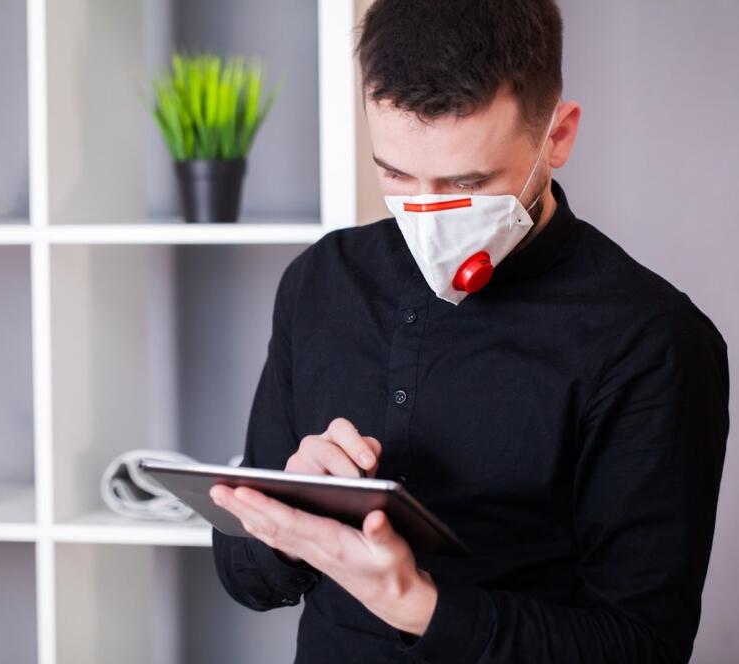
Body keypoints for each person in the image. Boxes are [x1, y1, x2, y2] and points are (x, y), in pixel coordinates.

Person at [209, 1, 730, 662]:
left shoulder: (653, 341)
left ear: (558, 137)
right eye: (396, 174)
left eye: (467, 182)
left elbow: (643, 645)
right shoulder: (320, 283)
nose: (427, 215)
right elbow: (243, 577)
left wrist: (419, 607)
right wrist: (290, 514)